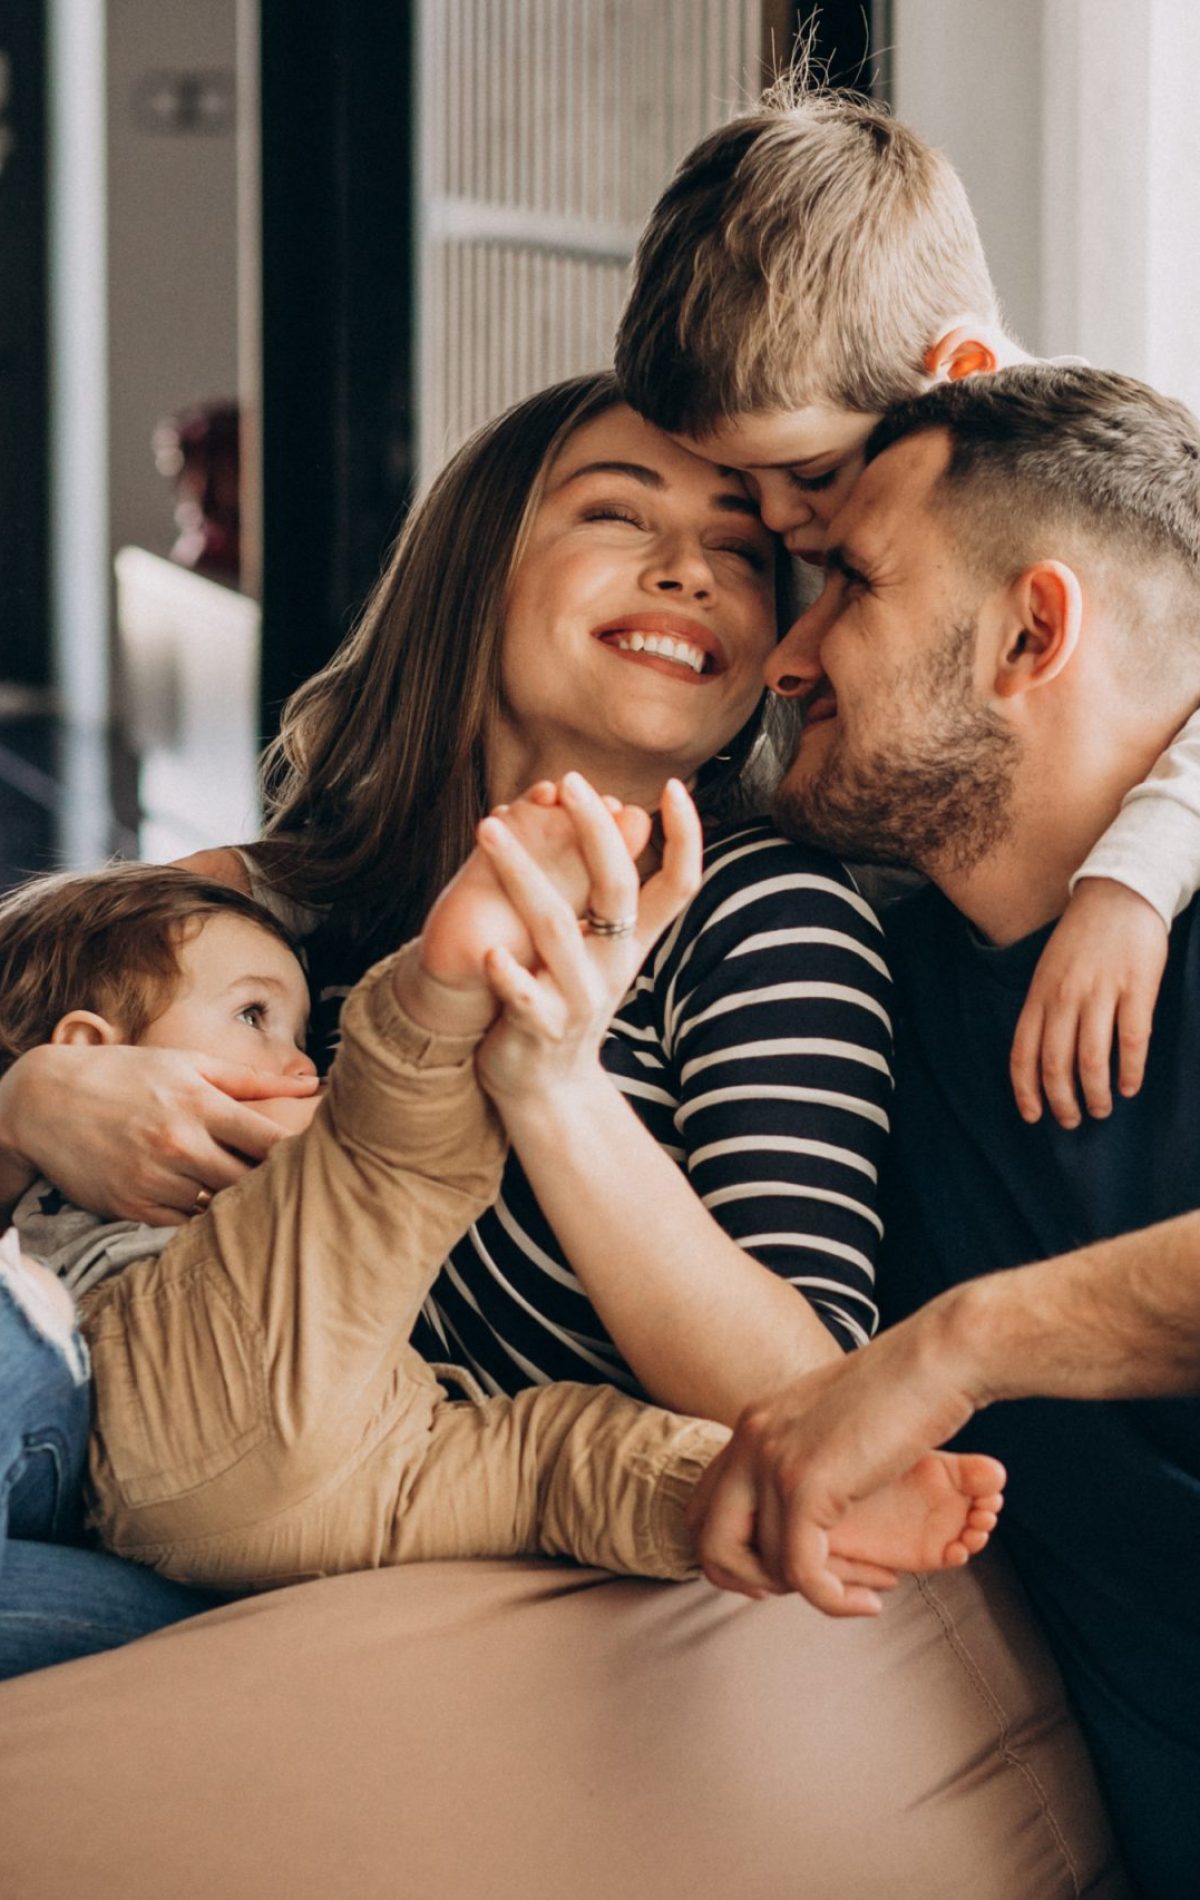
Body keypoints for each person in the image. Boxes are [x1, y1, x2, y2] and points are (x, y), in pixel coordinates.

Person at [0, 374, 904, 1666]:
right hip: (114, 1491)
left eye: (739, 551)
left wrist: (557, 1087)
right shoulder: (290, 898)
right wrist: (26, 1111)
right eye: (618, 515)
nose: (688, 571)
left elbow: (810, 1402)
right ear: (480, 565)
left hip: (358, 1587)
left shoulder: (764, 915)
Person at [687, 365, 1200, 1897]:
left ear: (1033, 633)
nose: (784, 655)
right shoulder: (863, 1003)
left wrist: (957, 1345)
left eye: (847, 579)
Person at [614, 79, 1200, 1123]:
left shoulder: (1107, 491)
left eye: (806, 472)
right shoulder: (809, 485)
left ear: (959, 371)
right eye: (745, 487)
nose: (784, 523)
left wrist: (1134, 880)